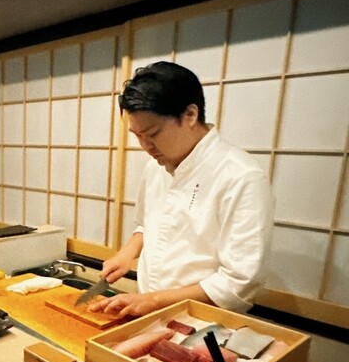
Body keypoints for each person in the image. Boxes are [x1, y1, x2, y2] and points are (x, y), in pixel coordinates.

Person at [89, 61, 274, 318]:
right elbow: (146, 224)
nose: (145, 146)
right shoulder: (155, 167)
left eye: (153, 133)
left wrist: (154, 300)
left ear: (190, 115)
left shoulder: (241, 175)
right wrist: (128, 252)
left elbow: (240, 282)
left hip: (203, 322)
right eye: (137, 135)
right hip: (147, 310)